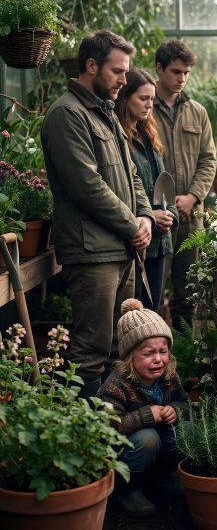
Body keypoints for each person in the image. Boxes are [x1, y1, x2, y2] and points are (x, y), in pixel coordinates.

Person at [41, 30, 154, 399]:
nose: (125, 79)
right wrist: (131, 226)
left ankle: (112, 431)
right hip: (92, 254)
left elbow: (132, 174)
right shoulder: (66, 115)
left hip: (120, 249)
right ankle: (84, 439)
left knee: (116, 350)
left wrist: (146, 218)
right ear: (91, 66)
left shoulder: (105, 113)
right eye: (118, 71)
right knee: (91, 351)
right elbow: (86, 186)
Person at [98, 298, 189, 518]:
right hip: (128, 452)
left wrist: (175, 411)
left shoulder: (168, 376)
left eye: (163, 351)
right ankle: (127, 490)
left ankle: (159, 478)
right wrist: (147, 415)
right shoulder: (117, 384)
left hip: (158, 445)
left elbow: (185, 403)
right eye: (148, 354)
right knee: (148, 438)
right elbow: (107, 426)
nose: (158, 359)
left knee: (187, 431)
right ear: (130, 356)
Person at [153, 39, 217, 328]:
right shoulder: (142, 107)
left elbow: (208, 160)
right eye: (176, 72)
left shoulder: (197, 112)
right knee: (150, 292)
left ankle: (184, 359)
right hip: (153, 216)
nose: (182, 78)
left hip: (190, 218)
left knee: (188, 294)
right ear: (159, 68)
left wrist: (193, 196)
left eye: (186, 73)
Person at [115, 68, 179, 311]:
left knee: (152, 312)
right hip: (136, 242)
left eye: (152, 99)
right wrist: (151, 216)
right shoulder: (119, 140)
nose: (149, 105)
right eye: (143, 98)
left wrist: (169, 215)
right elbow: (123, 192)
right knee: (133, 314)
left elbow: (164, 186)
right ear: (124, 97)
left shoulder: (148, 137)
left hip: (159, 244)